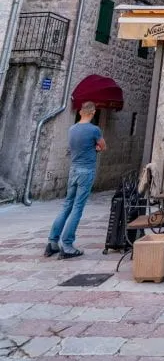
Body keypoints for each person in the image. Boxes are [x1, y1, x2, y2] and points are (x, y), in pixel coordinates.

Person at [45, 101, 106, 259]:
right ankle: (67, 244)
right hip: (86, 171)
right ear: (92, 113)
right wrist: (95, 148)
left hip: (73, 170)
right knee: (77, 207)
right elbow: (102, 146)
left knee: (67, 205)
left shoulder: (72, 129)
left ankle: (52, 241)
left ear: (80, 112)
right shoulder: (94, 129)